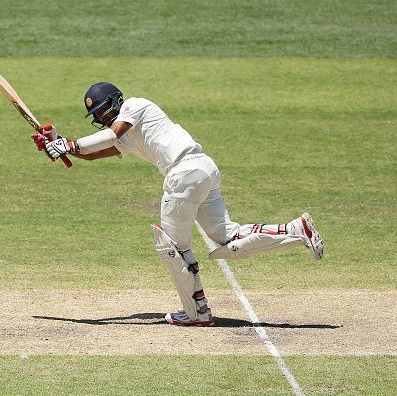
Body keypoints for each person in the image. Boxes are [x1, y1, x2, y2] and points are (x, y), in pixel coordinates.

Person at [31, 82, 324, 327]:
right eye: (97, 114)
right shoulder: (126, 134)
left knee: (172, 246)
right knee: (227, 238)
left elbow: (110, 135)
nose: (103, 116)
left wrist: (70, 146)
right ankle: (296, 230)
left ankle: (198, 313)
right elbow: (94, 153)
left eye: (105, 109)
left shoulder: (136, 105)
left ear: (116, 101)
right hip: (203, 169)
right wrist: (57, 142)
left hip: (184, 172)